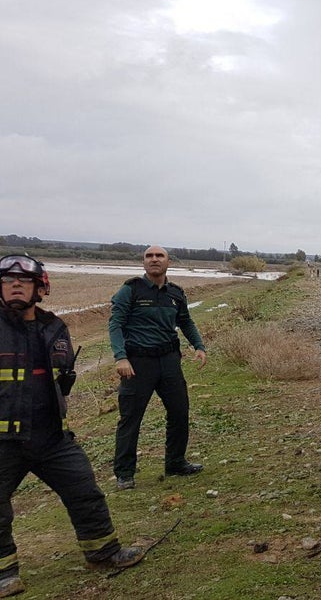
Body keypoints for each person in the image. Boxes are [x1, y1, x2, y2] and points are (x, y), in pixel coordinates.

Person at [0, 255, 145, 597]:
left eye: (23, 281)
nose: (15, 285)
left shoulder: (55, 328)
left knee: (84, 491)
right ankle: (5, 576)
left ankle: (103, 552)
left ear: (40, 288)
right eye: (7, 281)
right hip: (4, 439)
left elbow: (62, 379)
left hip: (51, 436)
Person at [108, 246, 207, 490]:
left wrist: (199, 345)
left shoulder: (176, 293)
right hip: (137, 364)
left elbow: (185, 321)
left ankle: (175, 463)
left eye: (159, 256)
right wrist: (121, 358)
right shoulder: (129, 291)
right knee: (131, 418)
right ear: (143, 263)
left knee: (179, 412)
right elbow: (115, 325)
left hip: (169, 361)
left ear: (168, 262)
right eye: (149, 256)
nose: (154, 259)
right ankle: (125, 473)